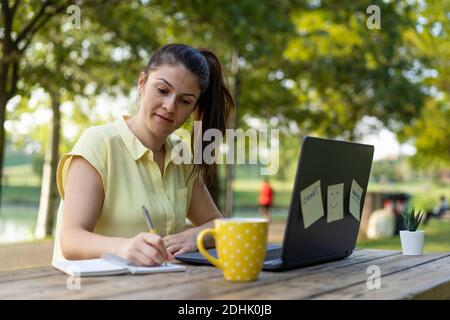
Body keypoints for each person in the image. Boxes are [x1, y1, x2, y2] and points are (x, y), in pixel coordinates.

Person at [53, 44, 235, 266]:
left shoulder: (180, 154)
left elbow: (217, 224)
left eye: (185, 101)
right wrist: (124, 247)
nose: (170, 106)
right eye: (162, 90)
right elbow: (71, 240)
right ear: (142, 83)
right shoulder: (99, 144)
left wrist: (195, 236)